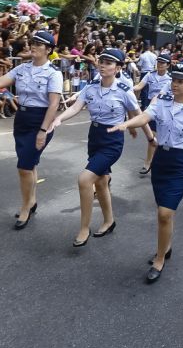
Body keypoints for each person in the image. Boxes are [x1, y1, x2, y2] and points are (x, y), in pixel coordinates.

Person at [109, 61, 183, 283]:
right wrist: (127, 124)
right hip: (161, 160)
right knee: (163, 211)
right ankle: (167, 245)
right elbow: (146, 116)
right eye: (174, 80)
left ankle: (160, 258)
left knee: (164, 213)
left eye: (181, 82)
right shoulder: (162, 102)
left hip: (181, 164)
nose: (175, 85)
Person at [50, 49, 152, 246]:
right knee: (102, 182)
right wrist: (59, 118)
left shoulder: (124, 90)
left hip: (112, 141)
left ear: (118, 68)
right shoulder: (91, 87)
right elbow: (76, 107)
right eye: (102, 61)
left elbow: (138, 114)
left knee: (85, 179)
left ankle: (83, 228)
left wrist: (149, 137)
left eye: (109, 63)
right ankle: (109, 220)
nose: (103, 65)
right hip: (94, 137)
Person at [0, 31, 62, 229]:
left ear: (49, 50)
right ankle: (31, 200)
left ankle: (25, 207)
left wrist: (43, 131)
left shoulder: (53, 73)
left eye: (39, 44)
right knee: (29, 164)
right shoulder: (22, 69)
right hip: (22, 119)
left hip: (41, 120)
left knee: (24, 167)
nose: (33, 46)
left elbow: (53, 104)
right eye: (32, 42)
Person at [133, 53, 171, 173]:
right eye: (158, 62)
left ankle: (163, 161)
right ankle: (148, 162)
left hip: (165, 107)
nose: (159, 64)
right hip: (152, 107)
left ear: (168, 65)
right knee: (152, 136)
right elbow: (139, 86)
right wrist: (127, 89)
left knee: (165, 138)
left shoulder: (171, 79)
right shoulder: (150, 75)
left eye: (162, 62)